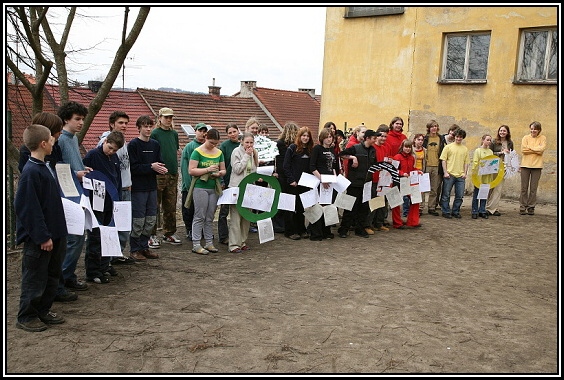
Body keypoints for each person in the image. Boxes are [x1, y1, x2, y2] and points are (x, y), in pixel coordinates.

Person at [15, 124, 67, 331]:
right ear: (43, 143)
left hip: (55, 234)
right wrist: (42, 236)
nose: (55, 141)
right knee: (35, 278)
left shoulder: (44, 166)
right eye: (51, 139)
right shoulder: (30, 172)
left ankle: (43, 310)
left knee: (51, 275)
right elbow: (28, 208)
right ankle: (27, 316)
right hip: (41, 239)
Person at [56, 101, 90, 299]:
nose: (80, 123)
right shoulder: (60, 140)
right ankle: (59, 281)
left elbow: (75, 163)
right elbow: (59, 168)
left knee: (79, 238)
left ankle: (67, 276)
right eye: (77, 119)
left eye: (82, 119)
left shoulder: (73, 139)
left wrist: (83, 170)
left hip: (78, 192)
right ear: (66, 119)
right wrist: (75, 173)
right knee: (73, 239)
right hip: (67, 195)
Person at [83, 131, 124, 283]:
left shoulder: (114, 158)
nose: (112, 151)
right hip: (96, 202)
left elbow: (117, 179)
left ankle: (104, 266)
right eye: (110, 148)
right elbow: (85, 176)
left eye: (115, 150)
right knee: (95, 237)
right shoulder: (92, 155)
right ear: (105, 141)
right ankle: (93, 272)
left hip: (110, 203)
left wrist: (117, 200)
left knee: (109, 235)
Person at [98, 111, 136, 265]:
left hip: (126, 187)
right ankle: (109, 256)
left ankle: (117, 253)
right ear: (112, 124)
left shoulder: (123, 141)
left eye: (126, 123)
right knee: (113, 224)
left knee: (124, 224)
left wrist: (129, 184)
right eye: (121, 123)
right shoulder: (106, 141)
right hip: (114, 190)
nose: (124, 126)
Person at [128, 115, 167, 261]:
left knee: (151, 219)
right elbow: (133, 167)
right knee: (138, 220)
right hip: (138, 188)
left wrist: (161, 168)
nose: (148, 129)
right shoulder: (133, 145)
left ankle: (145, 247)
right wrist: (151, 167)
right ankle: (134, 249)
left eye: (150, 126)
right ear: (139, 128)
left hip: (152, 187)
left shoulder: (155, 144)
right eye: (145, 126)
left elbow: (159, 162)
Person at [187, 128, 226, 254]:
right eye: (211, 143)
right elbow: (191, 170)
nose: (213, 145)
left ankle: (209, 242)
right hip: (200, 187)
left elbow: (223, 170)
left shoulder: (219, 153)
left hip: (213, 187)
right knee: (200, 215)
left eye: (216, 143)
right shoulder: (197, 152)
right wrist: (207, 169)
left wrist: (219, 173)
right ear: (206, 138)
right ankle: (196, 243)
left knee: (210, 216)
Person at [149, 107, 182, 247]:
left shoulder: (174, 134)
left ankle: (169, 233)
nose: (168, 120)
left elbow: (174, 151)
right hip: (159, 174)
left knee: (170, 205)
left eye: (171, 117)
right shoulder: (155, 133)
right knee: (154, 205)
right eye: (166, 117)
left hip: (173, 173)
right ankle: (151, 234)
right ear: (160, 118)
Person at [338, 129, 378, 238]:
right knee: (350, 206)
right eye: (374, 138)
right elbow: (342, 154)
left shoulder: (373, 150)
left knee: (363, 208)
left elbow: (375, 164)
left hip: (366, 184)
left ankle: (359, 229)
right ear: (368, 138)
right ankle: (343, 229)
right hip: (354, 182)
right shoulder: (355, 148)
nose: (375, 140)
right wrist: (353, 157)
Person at [228, 132, 259, 253]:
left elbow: (253, 169)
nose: (249, 145)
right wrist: (246, 155)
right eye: (247, 142)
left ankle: (243, 242)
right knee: (236, 217)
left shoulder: (253, 152)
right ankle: (234, 244)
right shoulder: (236, 152)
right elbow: (237, 169)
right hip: (237, 188)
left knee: (246, 216)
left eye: (251, 142)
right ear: (242, 142)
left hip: (250, 189)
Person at [283, 126, 314, 240]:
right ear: (299, 137)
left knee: (301, 208)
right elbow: (286, 166)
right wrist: (291, 179)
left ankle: (301, 229)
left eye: (307, 136)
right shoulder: (292, 148)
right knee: (290, 208)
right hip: (293, 183)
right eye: (303, 136)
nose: (305, 138)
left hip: (305, 184)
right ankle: (290, 231)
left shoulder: (310, 150)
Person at [180, 123, 209, 241]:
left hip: (203, 184)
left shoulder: (207, 147)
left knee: (201, 209)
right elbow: (184, 167)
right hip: (190, 184)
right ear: (195, 131)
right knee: (189, 208)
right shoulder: (190, 147)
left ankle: (200, 230)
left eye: (204, 131)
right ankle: (189, 229)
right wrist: (188, 185)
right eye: (200, 131)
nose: (202, 133)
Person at [309, 128, 339, 240]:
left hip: (330, 182)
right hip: (320, 181)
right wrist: (322, 179)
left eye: (330, 137)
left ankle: (326, 230)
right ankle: (316, 232)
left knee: (328, 207)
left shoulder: (332, 150)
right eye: (326, 137)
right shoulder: (317, 149)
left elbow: (334, 167)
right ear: (322, 138)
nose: (329, 139)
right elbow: (312, 166)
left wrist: (335, 178)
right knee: (318, 207)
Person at [274, 122, 300, 237]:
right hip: (287, 175)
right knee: (287, 201)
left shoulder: (279, 143)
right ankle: (284, 225)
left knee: (283, 200)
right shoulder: (291, 146)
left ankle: (281, 225)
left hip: (282, 175)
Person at [218, 123, 241, 245]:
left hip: (241, 183)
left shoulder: (243, 145)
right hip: (227, 183)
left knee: (238, 211)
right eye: (230, 132)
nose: (232, 134)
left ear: (238, 131)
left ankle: (238, 235)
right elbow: (220, 164)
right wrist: (222, 181)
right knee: (224, 212)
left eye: (234, 131)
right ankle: (223, 236)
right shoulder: (224, 146)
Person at [439, 128, 469, 219]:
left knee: (459, 195)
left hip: (460, 175)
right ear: (454, 137)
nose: (458, 138)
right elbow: (443, 160)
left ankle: (456, 211)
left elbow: (466, 162)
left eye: (460, 137)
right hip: (449, 174)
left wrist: (465, 173)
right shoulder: (448, 147)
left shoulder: (465, 149)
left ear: (462, 138)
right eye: (457, 136)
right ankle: (446, 211)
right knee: (446, 194)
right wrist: (445, 172)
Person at [392, 139, 422, 229]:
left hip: (408, 181)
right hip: (398, 181)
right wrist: (401, 173)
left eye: (409, 147)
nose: (408, 149)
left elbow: (412, 169)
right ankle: (397, 223)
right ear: (402, 147)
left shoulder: (412, 157)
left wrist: (418, 171)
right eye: (406, 147)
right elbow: (393, 169)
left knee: (415, 199)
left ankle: (413, 221)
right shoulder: (397, 157)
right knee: (396, 202)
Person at [485, 125, 514, 216]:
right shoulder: (494, 141)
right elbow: (490, 153)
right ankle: (486, 207)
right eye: (501, 130)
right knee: (491, 187)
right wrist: (500, 153)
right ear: (498, 132)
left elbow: (512, 155)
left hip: (503, 167)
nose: (502, 132)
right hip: (493, 166)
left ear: (507, 132)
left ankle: (493, 208)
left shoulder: (510, 143)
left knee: (499, 188)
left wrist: (509, 155)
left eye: (504, 131)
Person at [519, 121, 546, 216]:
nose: (533, 130)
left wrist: (530, 148)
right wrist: (536, 149)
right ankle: (522, 206)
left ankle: (531, 207)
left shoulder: (543, 138)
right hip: (525, 165)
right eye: (531, 128)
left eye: (535, 129)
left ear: (539, 130)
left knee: (533, 188)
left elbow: (541, 150)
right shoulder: (525, 138)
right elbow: (523, 150)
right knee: (524, 188)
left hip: (537, 166)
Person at [368, 127, 391, 232]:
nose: (383, 138)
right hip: (373, 179)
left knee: (382, 202)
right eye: (381, 136)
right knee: (373, 202)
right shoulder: (372, 148)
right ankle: (368, 225)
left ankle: (379, 223)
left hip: (383, 179)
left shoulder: (385, 148)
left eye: (385, 136)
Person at [422, 120, 445, 216]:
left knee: (434, 188)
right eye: (432, 126)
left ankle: (431, 207)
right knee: (423, 188)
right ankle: (420, 207)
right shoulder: (425, 138)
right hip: (426, 166)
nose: (434, 128)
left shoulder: (440, 138)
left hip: (436, 166)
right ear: (429, 128)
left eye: (436, 126)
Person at [470, 134, 493, 219]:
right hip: (479, 175)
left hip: (487, 176)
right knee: (476, 193)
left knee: (484, 193)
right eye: (487, 140)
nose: (489, 141)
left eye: (490, 140)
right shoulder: (478, 151)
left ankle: (482, 210)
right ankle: (474, 210)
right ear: (483, 140)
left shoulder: (490, 151)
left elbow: (492, 162)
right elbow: (475, 162)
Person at [410, 133, 426, 216]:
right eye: (418, 139)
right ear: (414, 140)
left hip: (421, 171)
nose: (420, 141)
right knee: (413, 191)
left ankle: (420, 208)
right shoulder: (411, 149)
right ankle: (411, 209)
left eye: (422, 140)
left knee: (421, 191)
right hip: (413, 171)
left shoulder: (424, 150)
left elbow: (425, 161)